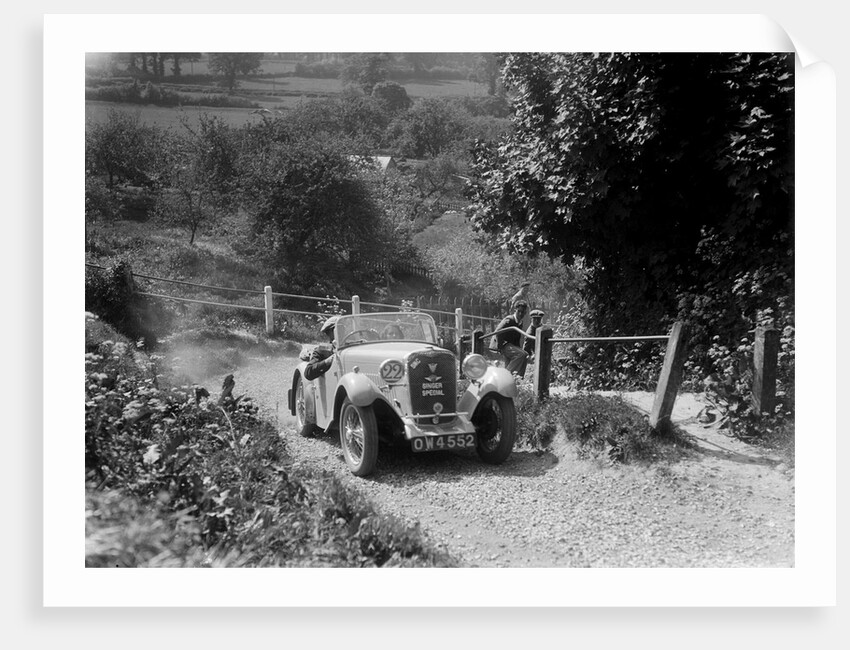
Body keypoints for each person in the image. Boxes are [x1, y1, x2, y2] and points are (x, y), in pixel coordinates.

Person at [494, 300, 529, 378]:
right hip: (503, 344)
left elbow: (516, 338)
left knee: (525, 355)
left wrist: (518, 348)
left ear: (525, 313)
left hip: (510, 346)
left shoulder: (520, 322)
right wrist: (499, 347)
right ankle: (505, 377)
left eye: (522, 312)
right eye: (519, 311)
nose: (520, 314)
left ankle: (518, 377)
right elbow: (498, 332)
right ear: (515, 310)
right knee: (521, 354)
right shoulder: (509, 320)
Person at [304, 315, 338, 381]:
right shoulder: (323, 350)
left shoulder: (356, 346)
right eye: (338, 328)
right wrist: (327, 361)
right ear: (330, 332)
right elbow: (308, 373)